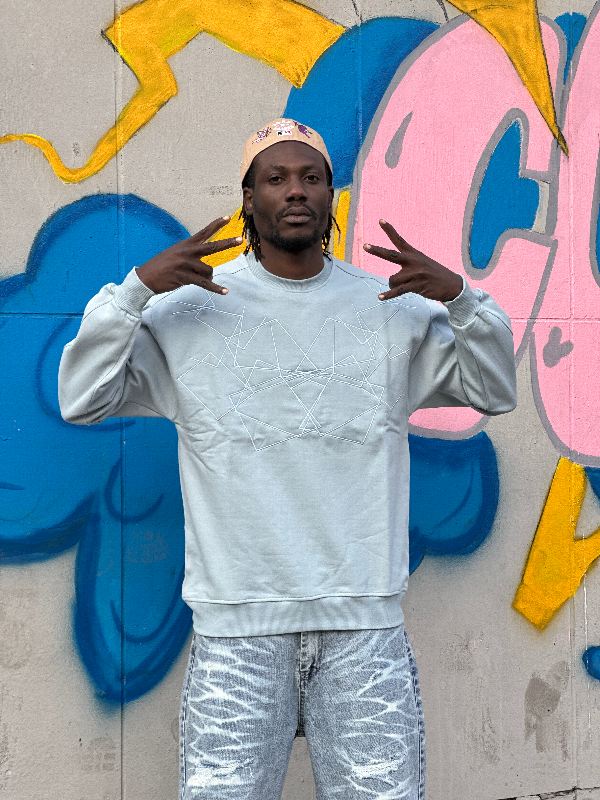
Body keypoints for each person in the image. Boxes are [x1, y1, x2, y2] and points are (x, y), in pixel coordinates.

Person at [58, 117, 517, 799]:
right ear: (249, 197)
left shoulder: (390, 308)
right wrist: (134, 293)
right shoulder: (187, 314)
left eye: (311, 177)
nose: (295, 190)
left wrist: (461, 300)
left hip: (363, 629)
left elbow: (494, 390)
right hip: (237, 630)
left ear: (331, 193)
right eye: (276, 178)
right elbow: (81, 399)